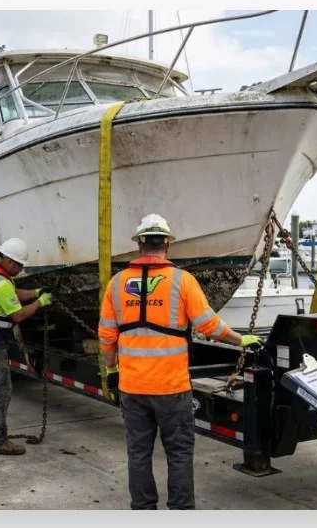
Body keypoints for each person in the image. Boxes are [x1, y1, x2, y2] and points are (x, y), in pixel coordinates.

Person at [97, 213, 263, 509]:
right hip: (172, 389)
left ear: (139, 246)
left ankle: (144, 510)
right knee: (179, 453)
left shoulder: (116, 283)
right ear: (167, 246)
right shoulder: (182, 281)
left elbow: (107, 337)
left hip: (133, 388)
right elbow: (209, 326)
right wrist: (240, 340)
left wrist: (112, 371)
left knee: (138, 453)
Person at [0, 237, 53, 455]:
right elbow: (19, 314)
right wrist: (41, 302)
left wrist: (36, 292)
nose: (21, 270)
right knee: (0, 391)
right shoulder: (2, 284)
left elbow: (14, 294)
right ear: (10, 261)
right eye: (20, 265)